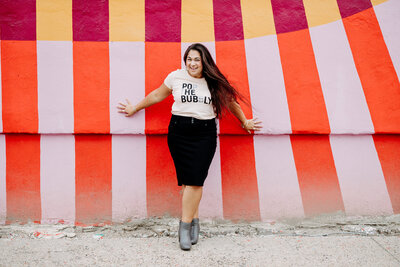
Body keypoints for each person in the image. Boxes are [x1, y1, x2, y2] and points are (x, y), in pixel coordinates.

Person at [117, 43, 262, 251]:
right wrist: (135, 107)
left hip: (204, 134)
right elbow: (157, 95)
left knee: (195, 181)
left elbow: (230, 103)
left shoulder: (213, 81)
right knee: (187, 182)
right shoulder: (176, 77)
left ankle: (183, 227)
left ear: (204, 62)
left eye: (197, 59)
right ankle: (194, 221)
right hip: (179, 132)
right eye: (189, 59)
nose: (192, 63)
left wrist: (244, 121)